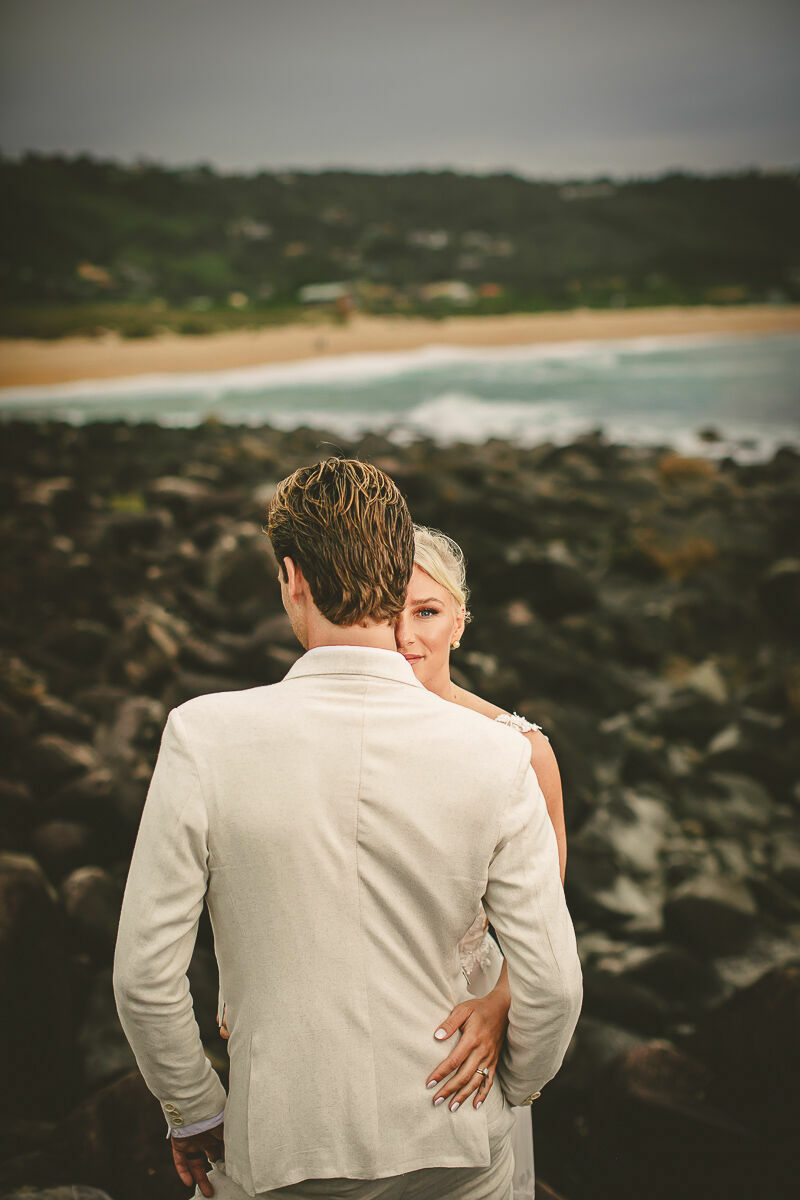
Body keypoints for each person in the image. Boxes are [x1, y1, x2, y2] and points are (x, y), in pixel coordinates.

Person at [113, 458, 583, 1200]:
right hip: (458, 1141)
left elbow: (144, 978)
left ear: (292, 578)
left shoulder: (203, 736)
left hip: (285, 1147)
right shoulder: (496, 757)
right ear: (391, 570)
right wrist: (508, 1095)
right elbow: (554, 985)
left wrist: (195, 1110)